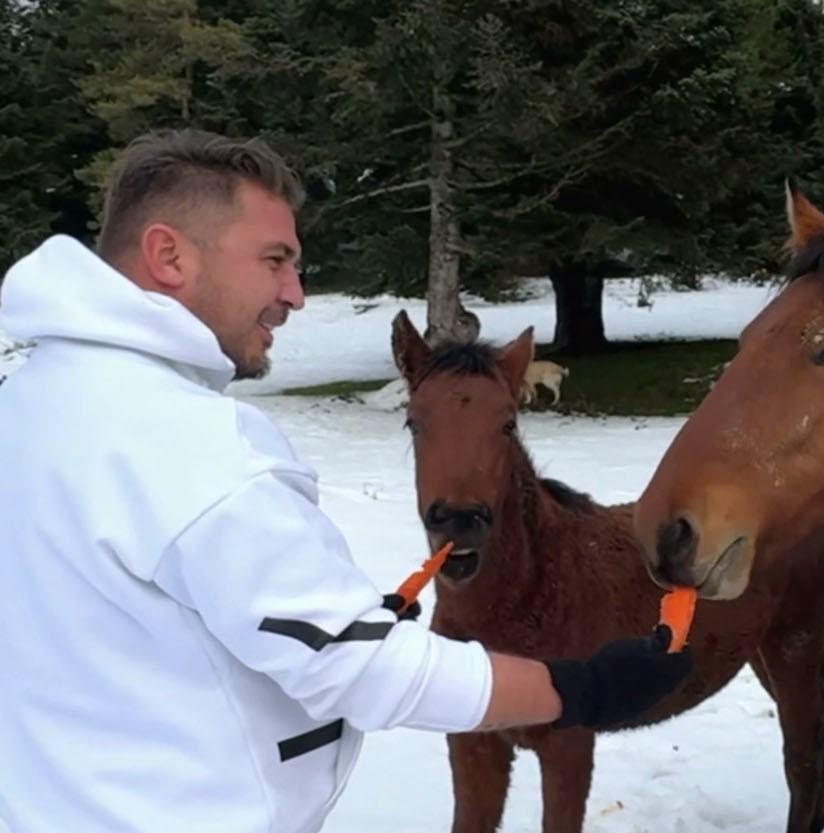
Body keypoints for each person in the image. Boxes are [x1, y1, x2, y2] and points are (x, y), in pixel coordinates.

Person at [0, 128, 694, 833]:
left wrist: (333, 619)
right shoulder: (186, 445)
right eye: (275, 261)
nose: (295, 294)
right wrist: (581, 686)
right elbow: (361, 672)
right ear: (168, 255)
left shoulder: (31, 402)